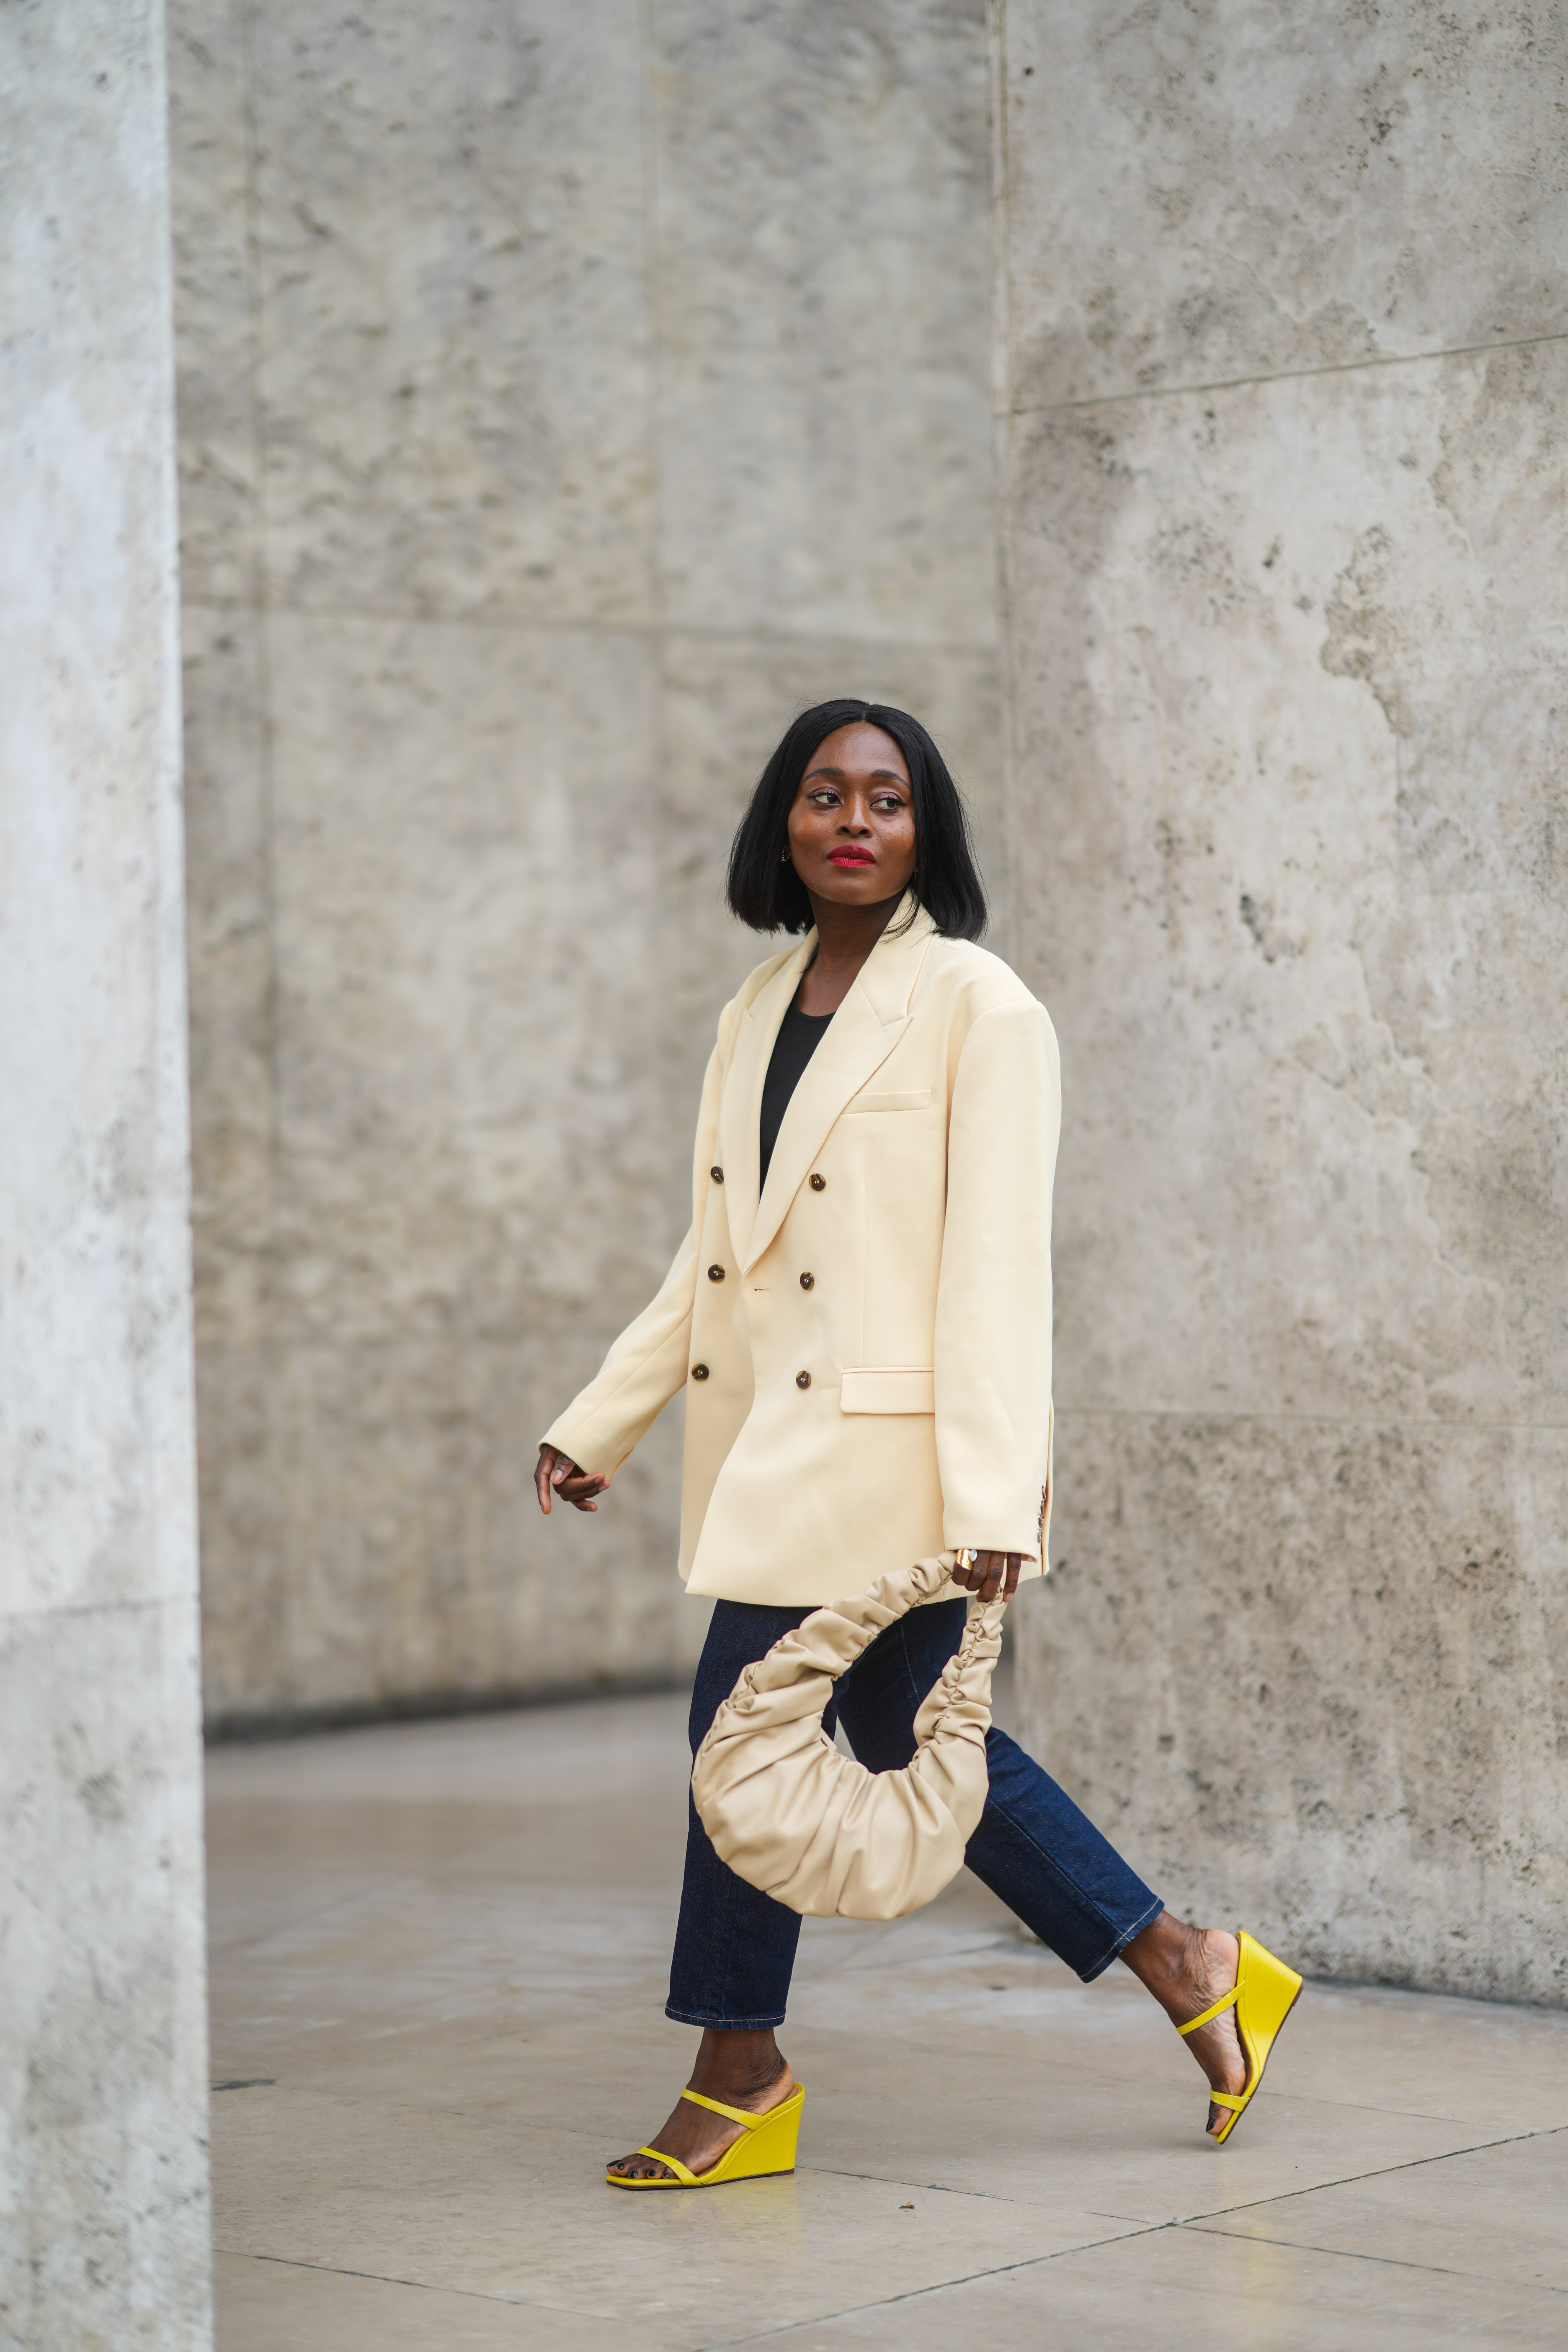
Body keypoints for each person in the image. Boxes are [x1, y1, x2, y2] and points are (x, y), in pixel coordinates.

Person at [535, 700, 1300, 2188]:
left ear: (924, 828)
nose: (854, 822)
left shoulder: (979, 1003)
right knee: (908, 1741)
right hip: (776, 1448)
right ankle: (1192, 1964)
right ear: (786, 821)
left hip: (896, 1462)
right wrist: (603, 1417)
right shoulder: (751, 1010)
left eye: (886, 799)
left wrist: (998, 1490)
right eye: (825, 795)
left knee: (740, 1739)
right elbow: (713, 1262)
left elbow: (999, 1267)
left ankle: (738, 2066)